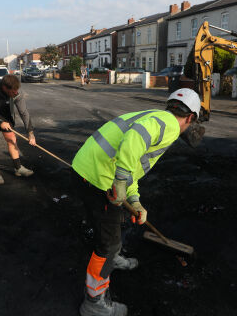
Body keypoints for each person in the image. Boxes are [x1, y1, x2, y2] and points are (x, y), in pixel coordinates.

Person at [72, 88, 202, 316]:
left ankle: (115, 258)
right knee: (107, 245)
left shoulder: (155, 116)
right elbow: (134, 141)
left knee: (115, 222)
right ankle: (94, 303)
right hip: (99, 179)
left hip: (88, 169)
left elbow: (133, 162)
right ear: (190, 118)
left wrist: (134, 199)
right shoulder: (171, 126)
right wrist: (120, 181)